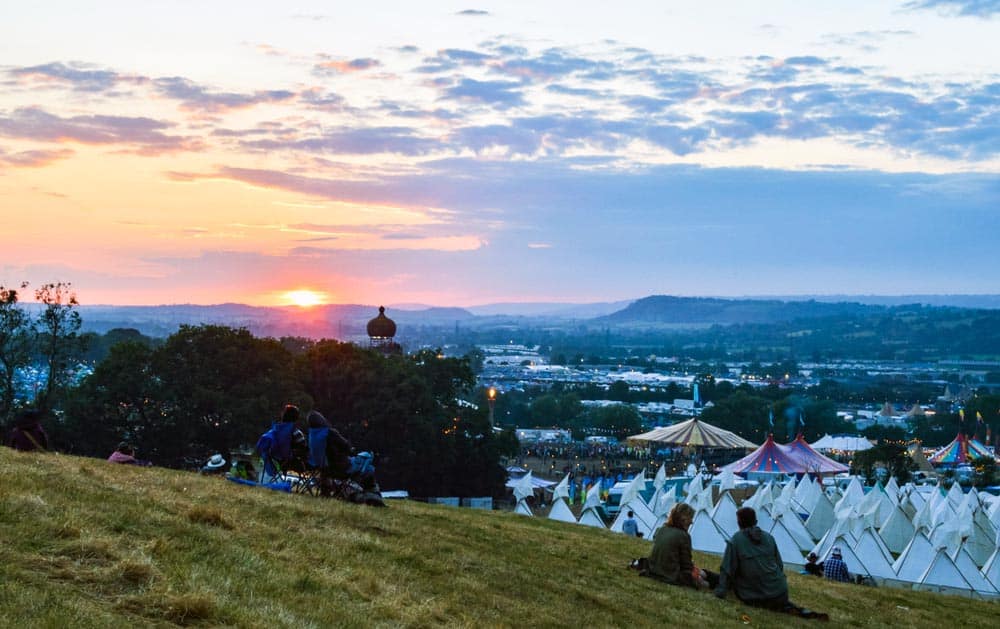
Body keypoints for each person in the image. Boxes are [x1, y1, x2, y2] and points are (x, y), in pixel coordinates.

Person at [714, 507, 794, 610]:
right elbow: (779, 565)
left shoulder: (736, 540)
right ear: (756, 521)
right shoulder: (769, 538)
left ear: (738, 523)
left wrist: (720, 592)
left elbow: (727, 570)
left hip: (757, 597)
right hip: (781, 593)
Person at [648, 503, 717, 589]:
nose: (692, 522)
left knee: (702, 573)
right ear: (683, 519)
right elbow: (686, 565)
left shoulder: (660, 530)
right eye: (690, 518)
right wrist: (695, 573)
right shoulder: (683, 536)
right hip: (670, 575)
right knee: (703, 581)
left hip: (653, 570)